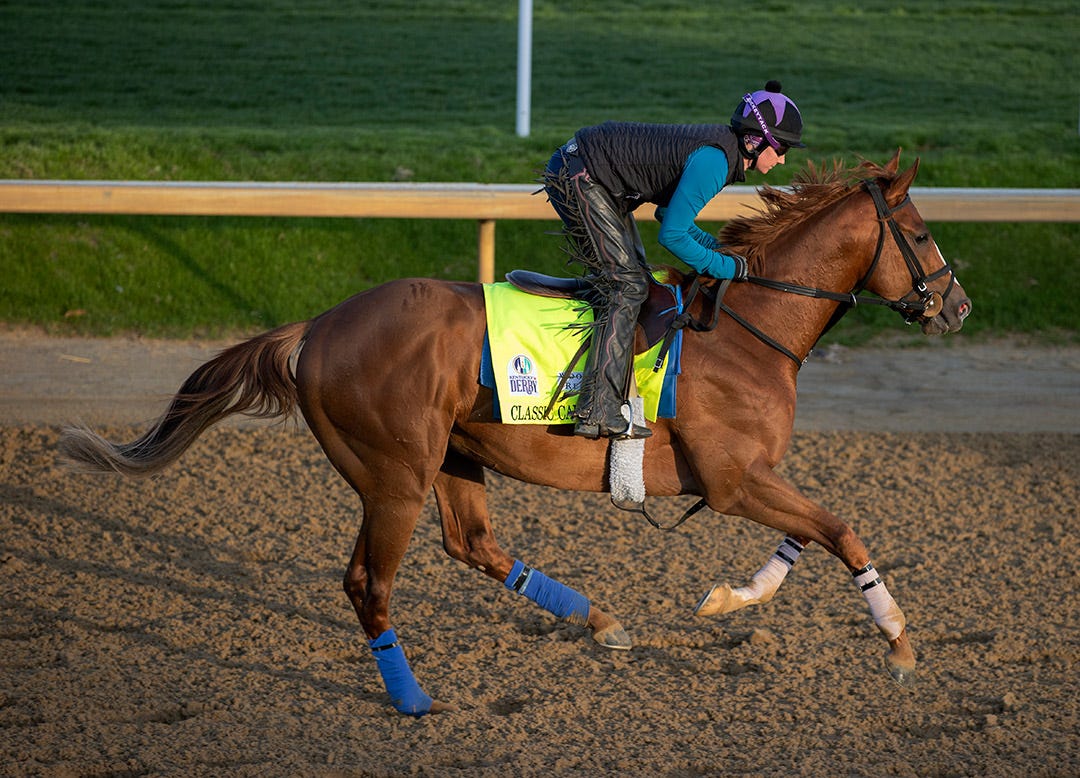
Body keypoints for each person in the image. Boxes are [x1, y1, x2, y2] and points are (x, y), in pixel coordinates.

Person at [542, 80, 805, 440]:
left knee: (637, 281)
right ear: (755, 140)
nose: (783, 159)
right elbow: (673, 236)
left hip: (594, 173)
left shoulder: (723, 156)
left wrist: (716, 249)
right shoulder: (716, 160)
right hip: (581, 174)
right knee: (626, 285)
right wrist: (726, 266)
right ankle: (596, 408)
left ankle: (611, 391)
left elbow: (669, 216)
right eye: (782, 148)